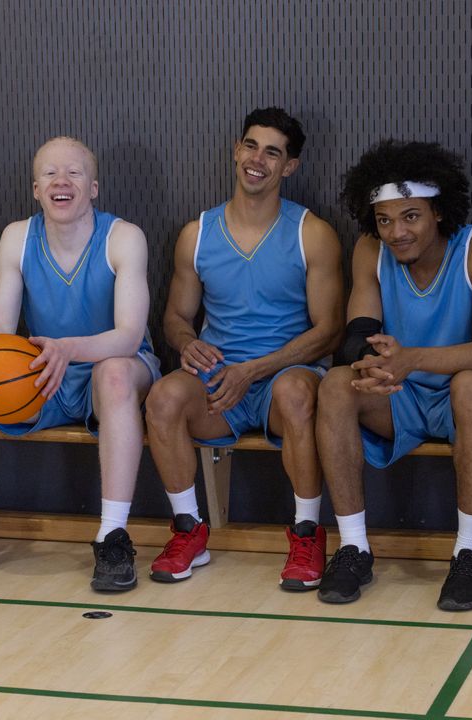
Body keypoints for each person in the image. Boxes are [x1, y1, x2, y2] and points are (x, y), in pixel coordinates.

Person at [0, 137, 159, 592]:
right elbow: (1, 328)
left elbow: (128, 337)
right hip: (45, 369)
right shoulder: (17, 237)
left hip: (114, 366)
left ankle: (112, 535)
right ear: (35, 188)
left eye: (73, 173)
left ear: (93, 187)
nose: (61, 181)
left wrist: (69, 348)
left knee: (112, 372)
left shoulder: (124, 237)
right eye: (50, 173)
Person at [144, 107, 343, 589]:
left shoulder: (311, 233)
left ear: (289, 166)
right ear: (236, 150)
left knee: (297, 393)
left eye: (272, 152)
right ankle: (189, 529)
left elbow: (330, 331)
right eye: (251, 146)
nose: (258, 159)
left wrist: (254, 370)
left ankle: (307, 533)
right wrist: (187, 342)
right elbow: (175, 317)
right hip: (219, 383)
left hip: (283, 377)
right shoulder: (196, 234)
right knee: (163, 397)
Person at [315, 141, 472, 610]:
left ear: (439, 212)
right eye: (384, 219)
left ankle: (471, 554)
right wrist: (369, 362)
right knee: (335, 384)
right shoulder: (370, 249)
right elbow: (359, 334)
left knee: (469, 385)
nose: (396, 232)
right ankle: (353, 548)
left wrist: (410, 359)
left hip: (468, 393)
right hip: (401, 391)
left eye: (410, 217)